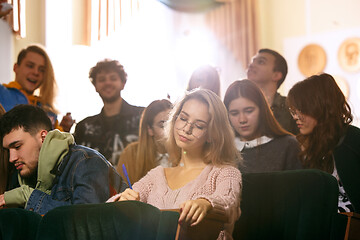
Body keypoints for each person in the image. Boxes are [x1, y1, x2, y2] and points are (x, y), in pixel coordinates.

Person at [108, 89, 242, 239]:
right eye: (183, 118)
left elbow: (228, 202)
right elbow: (108, 209)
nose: (186, 129)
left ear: (212, 134)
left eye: (199, 125)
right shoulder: (156, 176)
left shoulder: (225, 172)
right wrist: (121, 200)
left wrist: (206, 203)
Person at [0, 105, 126, 215]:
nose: (12, 158)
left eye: (17, 147)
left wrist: (27, 196)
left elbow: (85, 223)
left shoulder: (86, 162)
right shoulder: (23, 175)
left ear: (43, 137)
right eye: (8, 150)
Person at [287, 73, 360, 213]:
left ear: (320, 106)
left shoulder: (353, 140)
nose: (296, 117)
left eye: (301, 110)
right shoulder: (300, 147)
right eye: (293, 111)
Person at [74, 59, 144, 165]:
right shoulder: (83, 127)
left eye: (113, 78)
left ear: (123, 83)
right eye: (102, 80)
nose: (107, 83)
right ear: (95, 87)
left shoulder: (143, 116)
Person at [223, 80, 302, 173]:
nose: (242, 120)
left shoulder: (288, 146)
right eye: (234, 113)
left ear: (262, 110)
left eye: (249, 111)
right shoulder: (221, 149)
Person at [0, 44, 74, 132]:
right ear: (16, 68)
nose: (36, 72)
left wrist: (63, 131)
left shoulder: (47, 108)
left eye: (42, 70)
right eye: (30, 66)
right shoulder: (2, 93)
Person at [116, 99, 172, 183]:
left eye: (172, 123)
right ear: (150, 129)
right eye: (162, 125)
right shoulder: (131, 153)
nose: (169, 130)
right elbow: (120, 192)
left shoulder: (186, 153)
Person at [247, 48, 298, 134]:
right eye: (252, 61)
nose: (251, 65)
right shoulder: (238, 106)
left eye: (261, 62)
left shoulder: (291, 107)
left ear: (276, 75)